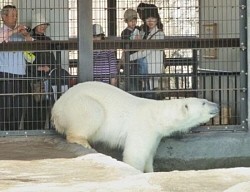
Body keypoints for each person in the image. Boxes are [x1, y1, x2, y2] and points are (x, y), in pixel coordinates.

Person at [26, 12, 70, 129]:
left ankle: (44, 129)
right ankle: (33, 129)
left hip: (48, 77)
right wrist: (38, 68)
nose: (44, 27)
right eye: (41, 24)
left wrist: (51, 68)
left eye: (45, 24)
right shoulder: (29, 39)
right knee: (35, 104)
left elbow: (53, 59)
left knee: (48, 104)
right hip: (35, 78)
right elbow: (25, 60)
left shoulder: (48, 40)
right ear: (35, 25)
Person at [0, 5, 33, 130]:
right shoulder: (2, 31)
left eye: (16, 15)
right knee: (5, 104)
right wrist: (14, 31)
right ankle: (3, 132)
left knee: (19, 105)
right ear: (4, 17)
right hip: (5, 73)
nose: (15, 18)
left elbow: (32, 47)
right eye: (12, 15)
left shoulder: (20, 34)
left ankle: (14, 130)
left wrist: (26, 35)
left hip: (21, 73)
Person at [130, 6, 165, 93]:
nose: (150, 21)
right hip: (145, 71)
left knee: (150, 95)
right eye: (147, 18)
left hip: (152, 70)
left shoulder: (159, 34)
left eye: (153, 18)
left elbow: (146, 52)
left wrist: (129, 57)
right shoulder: (144, 32)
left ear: (157, 19)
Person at [121, 8, 148, 92]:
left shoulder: (139, 29)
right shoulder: (124, 32)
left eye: (135, 21)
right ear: (126, 21)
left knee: (140, 74)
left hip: (139, 56)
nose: (133, 23)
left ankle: (142, 87)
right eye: (130, 21)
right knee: (131, 77)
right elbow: (124, 46)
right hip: (130, 58)